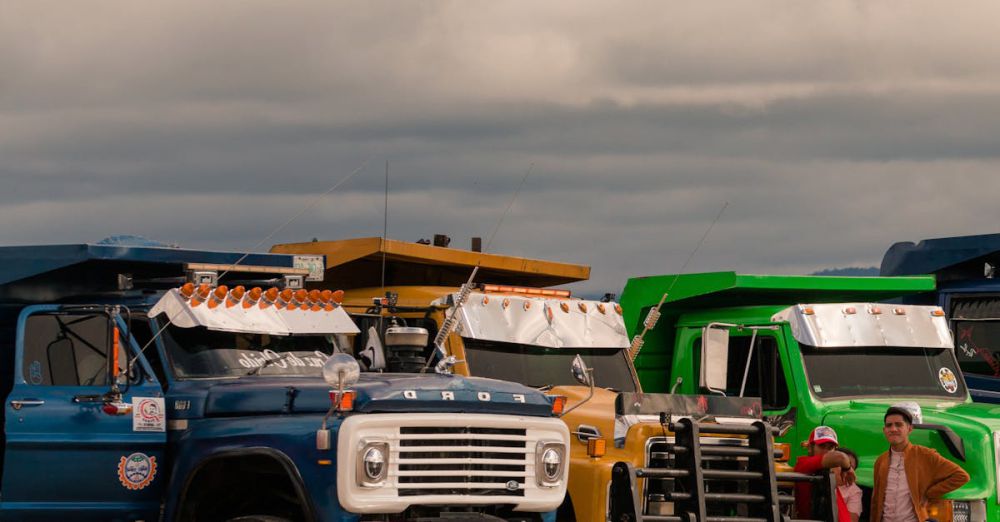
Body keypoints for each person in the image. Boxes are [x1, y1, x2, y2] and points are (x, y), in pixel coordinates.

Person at [870, 405, 969, 522]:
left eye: (899, 424)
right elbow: (876, 501)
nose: (893, 429)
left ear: (909, 429)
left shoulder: (925, 455)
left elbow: (961, 476)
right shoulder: (881, 461)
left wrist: (929, 493)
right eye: (889, 425)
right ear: (884, 430)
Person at [794, 426, 855, 522]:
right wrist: (848, 468)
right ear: (810, 448)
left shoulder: (828, 472)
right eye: (822, 446)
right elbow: (841, 458)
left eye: (830, 447)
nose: (827, 451)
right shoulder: (804, 464)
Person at [838, 447, 863, 522]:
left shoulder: (854, 491)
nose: (844, 469)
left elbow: (851, 520)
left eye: (849, 467)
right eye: (842, 464)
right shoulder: (818, 478)